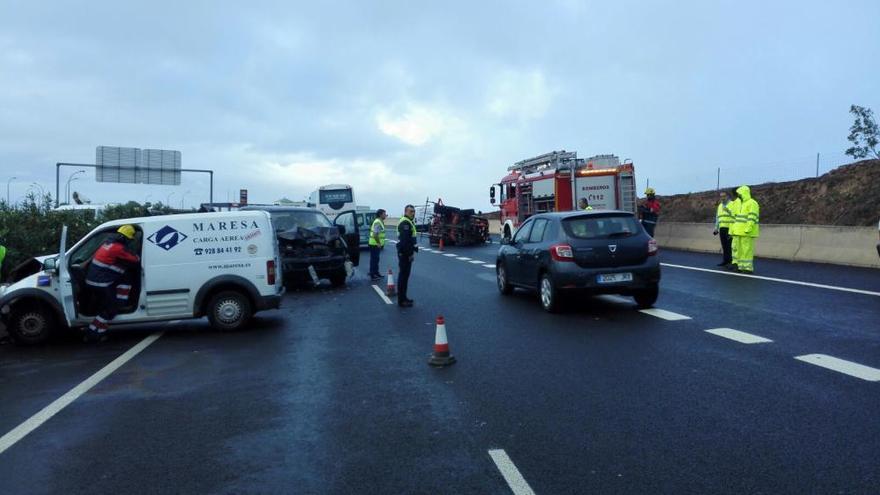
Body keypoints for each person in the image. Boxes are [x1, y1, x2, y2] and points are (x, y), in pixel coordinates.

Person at [84, 225, 140, 342]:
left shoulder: (107, 244)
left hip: (95, 280)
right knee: (110, 310)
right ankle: (92, 333)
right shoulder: (118, 249)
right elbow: (135, 260)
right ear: (124, 238)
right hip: (101, 282)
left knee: (125, 278)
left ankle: (100, 330)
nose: (129, 242)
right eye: (129, 239)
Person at [729, 185, 760, 273]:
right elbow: (733, 217)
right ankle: (739, 266)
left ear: (744, 193)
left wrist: (748, 229)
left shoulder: (752, 203)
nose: (738, 195)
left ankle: (747, 268)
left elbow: (752, 217)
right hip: (737, 231)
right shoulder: (738, 203)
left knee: (746, 250)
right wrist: (731, 230)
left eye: (740, 193)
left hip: (746, 232)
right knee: (736, 249)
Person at [396, 204, 419, 307]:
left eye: (413, 211)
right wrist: (410, 254)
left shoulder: (408, 222)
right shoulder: (405, 223)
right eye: (410, 211)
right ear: (405, 212)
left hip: (404, 253)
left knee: (405, 277)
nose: (413, 213)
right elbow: (405, 242)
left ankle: (404, 298)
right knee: (403, 277)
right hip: (405, 254)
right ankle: (402, 300)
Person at [713, 190, 735, 267]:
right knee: (724, 246)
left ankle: (732, 262)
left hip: (730, 228)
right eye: (721, 196)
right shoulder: (719, 206)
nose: (722, 198)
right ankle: (725, 261)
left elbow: (735, 215)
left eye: (724, 196)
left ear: (728, 196)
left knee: (730, 246)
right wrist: (716, 228)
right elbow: (718, 218)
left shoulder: (732, 204)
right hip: (722, 228)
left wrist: (728, 211)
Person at [368, 209, 387, 281]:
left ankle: (376, 272)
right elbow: (375, 234)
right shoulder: (378, 222)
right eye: (384, 214)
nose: (385, 215)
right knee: (374, 260)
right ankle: (373, 274)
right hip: (374, 244)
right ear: (380, 214)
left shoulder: (380, 221)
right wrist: (378, 243)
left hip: (375, 244)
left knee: (376, 259)